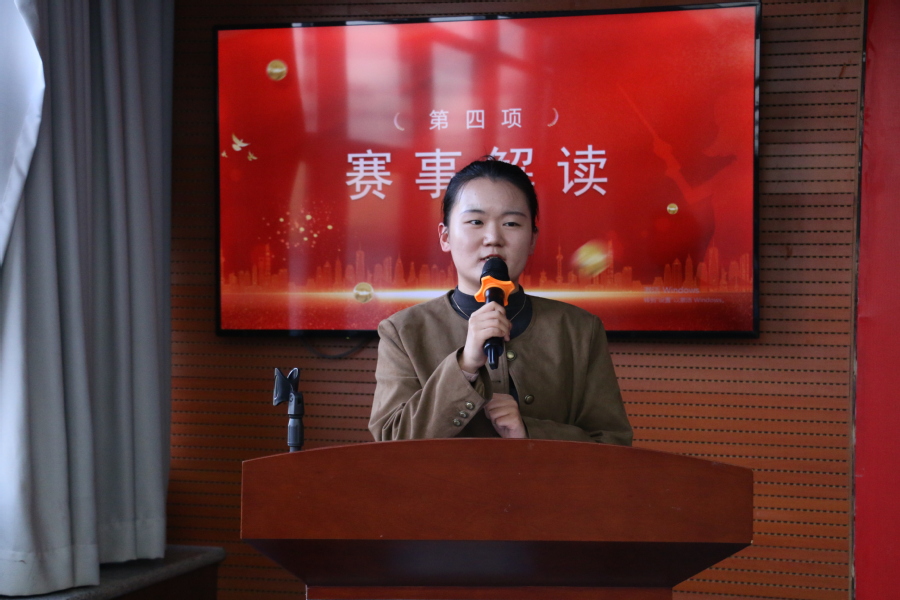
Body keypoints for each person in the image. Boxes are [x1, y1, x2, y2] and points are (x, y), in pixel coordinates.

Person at [368, 157, 632, 445]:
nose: (493, 237)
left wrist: (529, 432)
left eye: (511, 223)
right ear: (445, 236)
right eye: (476, 222)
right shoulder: (403, 332)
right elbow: (390, 441)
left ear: (532, 239)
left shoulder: (580, 329)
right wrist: (465, 365)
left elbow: (613, 443)